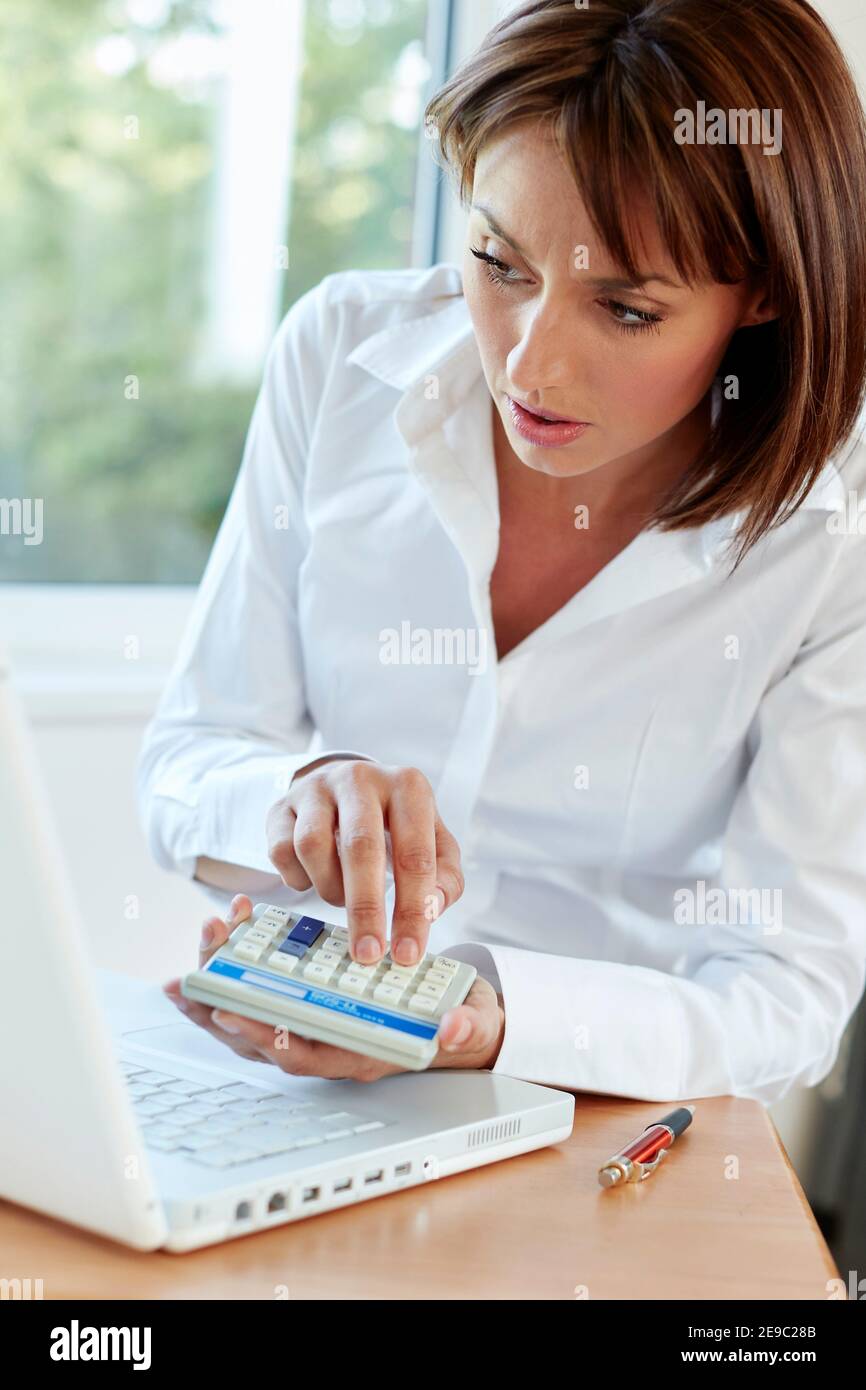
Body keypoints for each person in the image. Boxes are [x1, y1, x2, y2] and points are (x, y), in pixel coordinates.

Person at [137, 0, 866, 1103]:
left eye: (623, 308)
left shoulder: (833, 534)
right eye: (498, 260)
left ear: (761, 291)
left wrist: (492, 1024)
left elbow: (788, 993)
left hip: (607, 1128)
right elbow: (186, 761)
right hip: (301, 1090)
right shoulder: (340, 355)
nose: (529, 366)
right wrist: (297, 793)